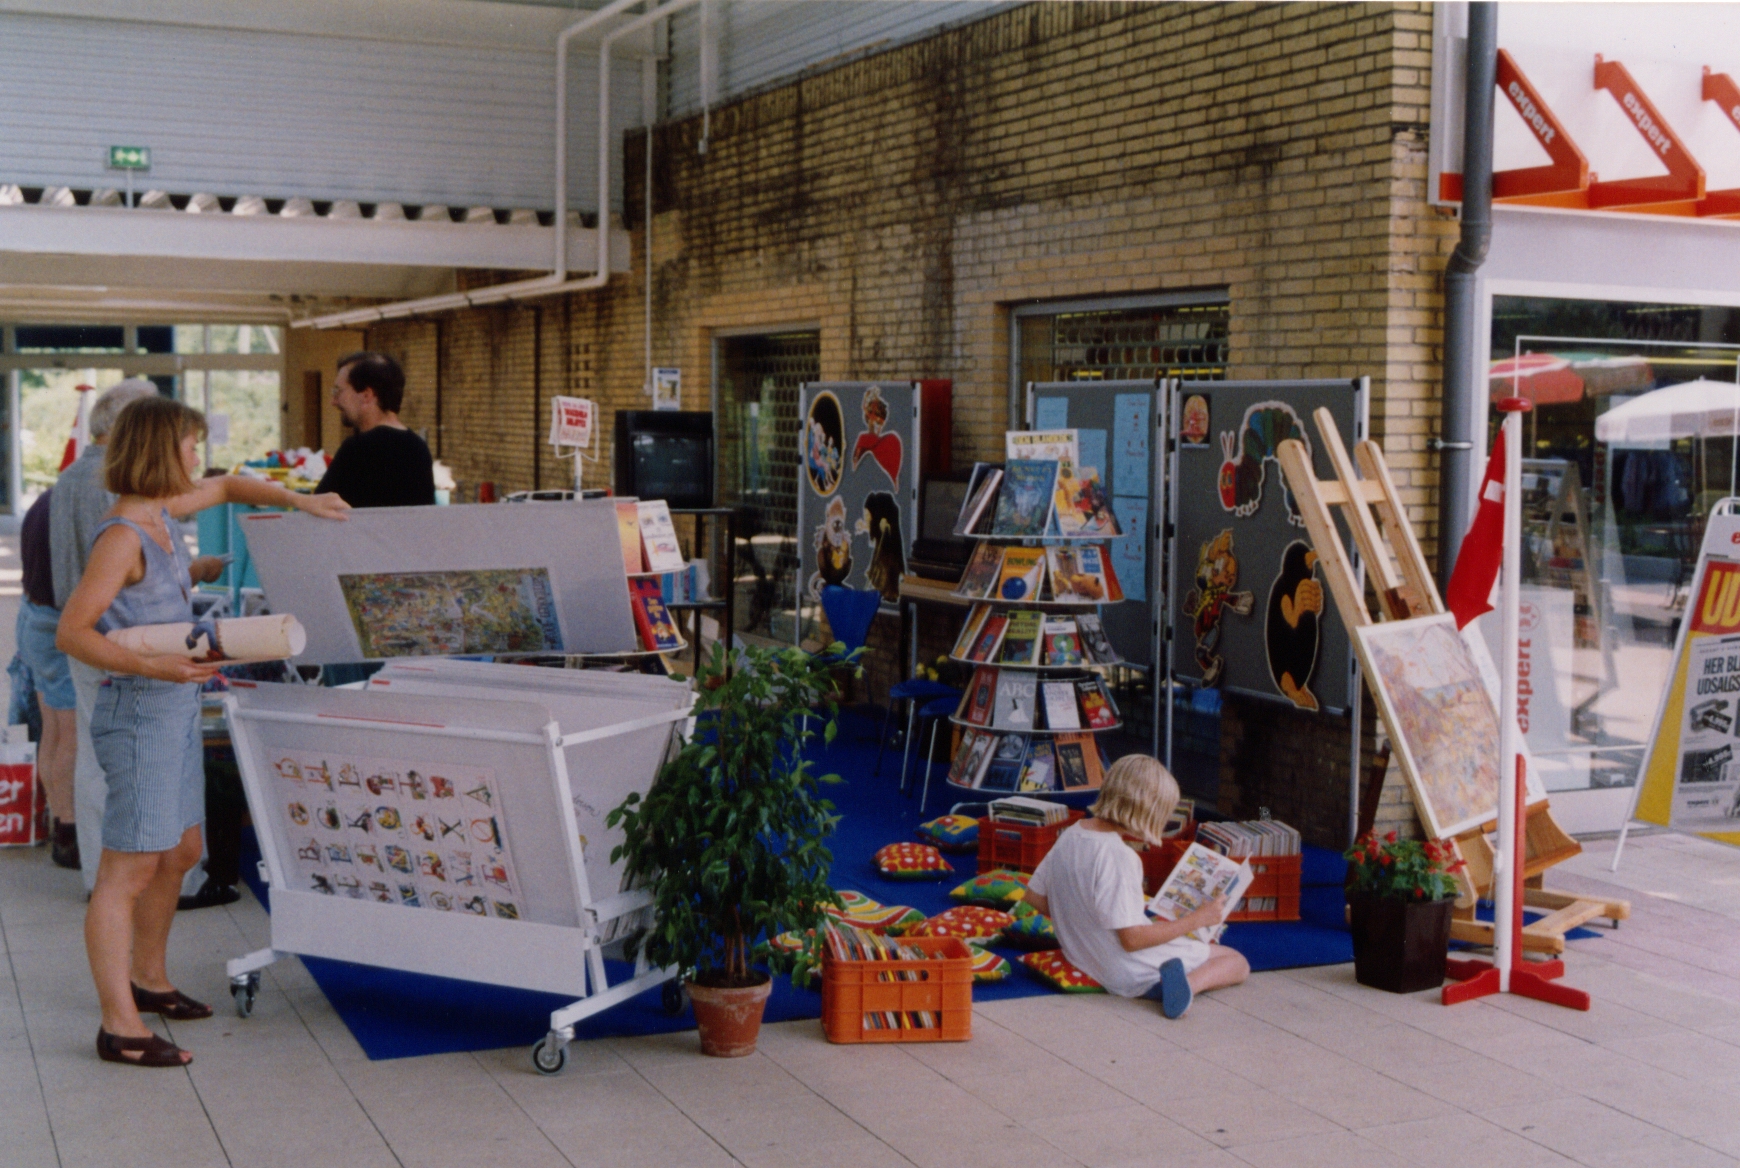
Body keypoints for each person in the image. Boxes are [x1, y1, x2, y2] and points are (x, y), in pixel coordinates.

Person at [57, 396, 349, 1067]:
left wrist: (304, 503)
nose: (197, 455)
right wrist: (151, 666)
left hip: (175, 707)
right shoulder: (122, 535)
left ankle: (150, 979)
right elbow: (76, 630)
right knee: (125, 872)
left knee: (183, 850)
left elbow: (230, 484)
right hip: (139, 710)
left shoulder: (161, 516)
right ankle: (118, 1026)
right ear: (161, 449)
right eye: (189, 443)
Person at [51, 379, 226, 895]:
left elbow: (128, 577)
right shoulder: (115, 499)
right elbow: (114, 570)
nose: (193, 458)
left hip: (103, 637)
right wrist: (150, 663)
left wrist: (187, 573)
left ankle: (101, 874)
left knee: (93, 760)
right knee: (122, 785)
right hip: (116, 647)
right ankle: (113, 881)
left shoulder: (71, 478)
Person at [1025, 756, 1250, 1019]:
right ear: (1146, 810)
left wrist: (1081, 922)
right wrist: (1196, 920)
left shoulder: (1070, 834)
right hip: (1126, 969)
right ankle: (1184, 987)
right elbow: (1132, 940)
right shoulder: (1120, 856)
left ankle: (1173, 978)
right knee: (1235, 961)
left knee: (1181, 939)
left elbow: (1033, 896)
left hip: (1084, 957)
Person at [16, 488, 79, 868]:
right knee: (70, 735)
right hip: (58, 625)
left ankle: (59, 819)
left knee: (52, 729)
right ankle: (70, 833)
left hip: (33, 618)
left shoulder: (46, 501)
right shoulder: (78, 506)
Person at [314, 351, 436, 508]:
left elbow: (317, 509)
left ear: (366, 395)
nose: (333, 401)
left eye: (339, 391)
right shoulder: (419, 447)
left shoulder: (356, 449)